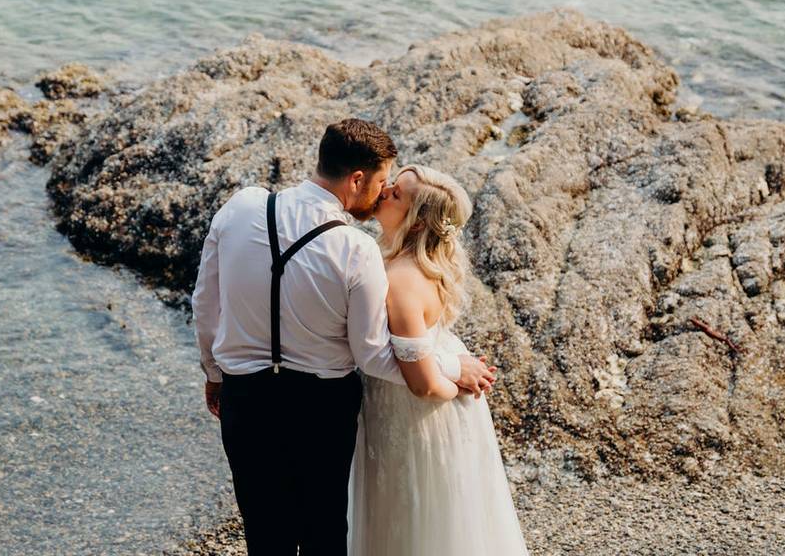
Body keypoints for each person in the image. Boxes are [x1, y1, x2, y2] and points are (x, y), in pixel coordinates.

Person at [191, 118, 497, 556]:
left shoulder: (242, 206)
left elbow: (206, 302)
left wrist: (214, 373)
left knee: (263, 533)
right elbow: (372, 356)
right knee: (324, 533)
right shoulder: (357, 251)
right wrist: (451, 366)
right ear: (357, 180)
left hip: (247, 399)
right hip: (320, 410)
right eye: (381, 182)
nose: (382, 192)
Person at [348, 164, 531, 556]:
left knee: (415, 519)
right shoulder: (394, 259)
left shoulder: (401, 279)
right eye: (393, 184)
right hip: (423, 400)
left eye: (397, 193)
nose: (385, 190)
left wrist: (457, 384)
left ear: (416, 223)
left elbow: (423, 384)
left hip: (418, 415)